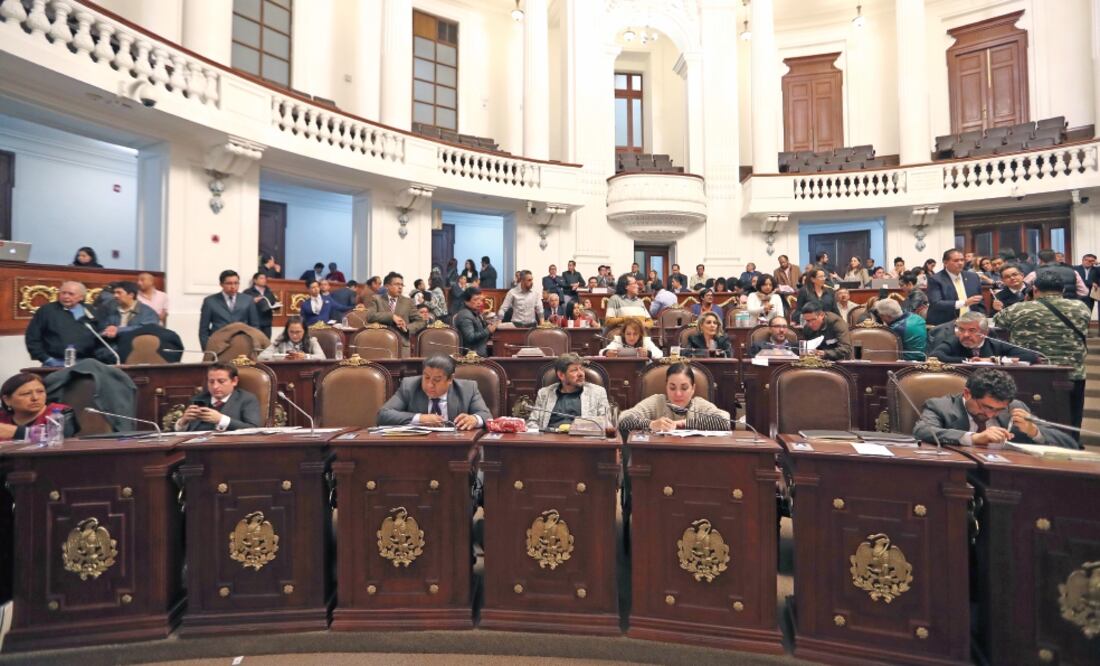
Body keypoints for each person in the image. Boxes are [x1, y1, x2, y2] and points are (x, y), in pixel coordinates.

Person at [994, 269, 1090, 430]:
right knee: (1070, 420)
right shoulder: (1081, 308)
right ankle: (1070, 443)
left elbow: (998, 321)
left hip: (1032, 373)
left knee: (1028, 421)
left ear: (1035, 289)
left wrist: (1026, 302)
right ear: (1063, 290)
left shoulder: (1019, 309)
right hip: (1072, 374)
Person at [913, 368, 1078, 448]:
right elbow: (922, 431)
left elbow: (1070, 444)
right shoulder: (941, 406)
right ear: (967, 393)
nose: (991, 414)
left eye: (999, 410)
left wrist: (1034, 431)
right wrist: (974, 438)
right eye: (986, 407)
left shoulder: (1014, 408)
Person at [378, 354, 491, 429]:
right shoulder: (409, 386)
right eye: (426, 377)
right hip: (418, 447)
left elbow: (486, 415)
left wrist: (475, 419)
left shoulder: (468, 389)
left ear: (450, 379)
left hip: (455, 447)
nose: (429, 385)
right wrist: (420, 418)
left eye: (436, 380)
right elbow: (383, 415)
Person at [618, 362, 730, 432]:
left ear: (693, 388)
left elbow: (725, 420)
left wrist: (681, 424)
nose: (678, 394)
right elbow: (623, 419)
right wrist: (651, 424)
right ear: (666, 387)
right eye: (672, 388)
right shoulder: (657, 402)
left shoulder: (699, 405)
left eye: (684, 388)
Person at [25, 281, 114, 366]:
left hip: (87, 362)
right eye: (63, 293)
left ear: (81, 297)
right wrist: (46, 359)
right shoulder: (47, 310)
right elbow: (32, 337)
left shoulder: (90, 310)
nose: (66, 296)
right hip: (55, 362)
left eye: (71, 294)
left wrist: (108, 330)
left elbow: (101, 333)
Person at [526, 353, 610, 431]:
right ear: (561, 375)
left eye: (581, 369)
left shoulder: (597, 392)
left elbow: (606, 423)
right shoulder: (544, 393)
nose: (581, 374)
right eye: (574, 370)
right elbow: (532, 423)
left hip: (582, 438)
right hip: (550, 437)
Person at [174, 363, 262, 432]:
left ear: (234, 381)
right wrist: (183, 422)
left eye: (221, 381)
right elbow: (182, 432)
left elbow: (253, 429)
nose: (215, 386)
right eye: (211, 382)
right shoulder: (198, 399)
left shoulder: (246, 399)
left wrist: (221, 420)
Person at [929, 311, 1041, 363]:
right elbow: (935, 356)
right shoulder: (954, 341)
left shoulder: (995, 344)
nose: (965, 335)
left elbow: (1031, 356)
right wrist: (968, 361)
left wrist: (992, 360)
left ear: (985, 333)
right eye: (961, 330)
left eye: (972, 330)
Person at [0, 373, 80, 440]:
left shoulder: (62, 412)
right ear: (7, 400)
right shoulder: (2, 418)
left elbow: (58, 439)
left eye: (40, 392)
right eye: (26, 394)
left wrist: (17, 432)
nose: (35, 398)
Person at [365, 272, 426, 355]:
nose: (400, 287)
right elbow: (370, 316)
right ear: (387, 286)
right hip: (380, 344)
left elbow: (421, 321)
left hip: (402, 345)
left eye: (402, 285)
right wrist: (391, 316)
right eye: (397, 284)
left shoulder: (408, 302)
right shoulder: (377, 299)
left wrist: (407, 327)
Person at [198, 270, 260, 350]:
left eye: (236, 283)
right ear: (221, 284)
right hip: (218, 346)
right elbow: (203, 330)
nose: (233, 286)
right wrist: (207, 350)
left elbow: (255, 326)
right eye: (229, 283)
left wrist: (254, 346)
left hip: (243, 345)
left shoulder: (248, 300)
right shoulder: (210, 301)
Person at [926, 248, 984, 326]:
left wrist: (982, 318)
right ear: (945, 262)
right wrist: (964, 303)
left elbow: (980, 301)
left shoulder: (973, 277)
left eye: (962, 260)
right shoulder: (936, 279)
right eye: (956, 261)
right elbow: (936, 303)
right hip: (945, 323)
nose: (960, 263)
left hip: (972, 322)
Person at [454, 287, 496, 357]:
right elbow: (470, 338)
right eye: (475, 299)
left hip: (480, 351)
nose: (479, 302)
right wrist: (488, 330)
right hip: (473, 356)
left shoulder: (474, 312)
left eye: (480, 299)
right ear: (466, 301)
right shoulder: (465, 316)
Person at [259, 317, 325, 360]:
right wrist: (281, 358)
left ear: (304, 331)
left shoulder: (312, 341)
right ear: (287, 331)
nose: (294, 335)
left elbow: (322, 357)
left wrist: (305, 357)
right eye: (291, 332)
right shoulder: (280, 340)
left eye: (298, 332)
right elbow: (261, 357)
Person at [243, 272, 278, 338]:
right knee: (255, 341)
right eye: (261, 278)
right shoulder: (248, 292)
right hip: (253, 322)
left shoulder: (269, 291)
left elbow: (273, 303)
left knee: (266, 341)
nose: (264, 280)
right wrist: (253, 301)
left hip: (267, 322)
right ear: (255, 280)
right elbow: (242, 305)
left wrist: (277, 305)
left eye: (265, 278)